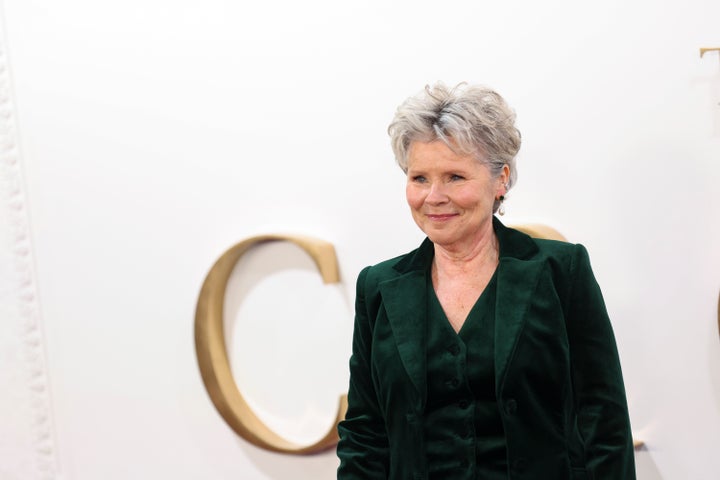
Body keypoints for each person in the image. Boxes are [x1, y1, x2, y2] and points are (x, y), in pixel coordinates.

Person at [336, 83, 636, 479]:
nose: (434, 196)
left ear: (501, 181)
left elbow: (603, 421)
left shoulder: (561, 272)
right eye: (419, 178)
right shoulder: (379, 286)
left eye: (455, 177)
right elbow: (366, 434)